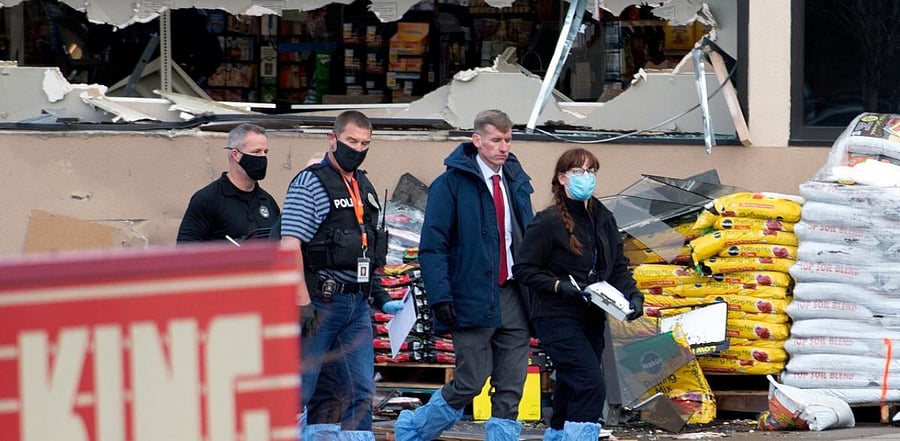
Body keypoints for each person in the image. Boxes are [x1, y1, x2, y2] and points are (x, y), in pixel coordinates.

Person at [395, 109, 534, 441]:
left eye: (508, 140)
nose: (504, 147)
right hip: (470, 295)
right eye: (496, 140)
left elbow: (525, 236)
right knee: (471, 380)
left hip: (514, 294)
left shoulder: (516, 182)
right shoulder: (450, 184)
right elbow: (433, 246)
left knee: (512, 383)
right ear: (477, 141)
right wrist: (441, 295)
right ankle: (415, 430)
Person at [280, 110, 402, 441]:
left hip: (355, 305)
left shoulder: (363, 185)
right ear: (332, 140)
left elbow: (367, 247)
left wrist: (380, 296)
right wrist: (303, 303)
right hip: (321, 301)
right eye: (351, 141)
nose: (358, 149)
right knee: (299, 391)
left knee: (360, 391)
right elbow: (289, 244)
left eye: (365, 143)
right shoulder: (312, 183)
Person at [512, 148, 644, 441]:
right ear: (562, 178)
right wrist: (560, 286)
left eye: (592, 172)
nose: (587, 178)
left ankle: (558, 434)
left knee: (572, 384)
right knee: (590, 383)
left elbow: (618, 267)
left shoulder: (603, 217)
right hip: (555, 315)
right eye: (579, 172)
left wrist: (633, 297)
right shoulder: (547, 222)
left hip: (593, 314)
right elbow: (523, 268)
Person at [176, 123, 279, 243]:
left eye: (265, 152)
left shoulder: (267, 201)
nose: (262, 157)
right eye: (256, 152)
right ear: (235, 155)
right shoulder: (208, 199)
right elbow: (185, 248)